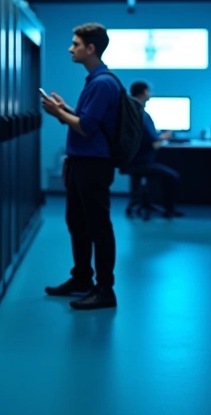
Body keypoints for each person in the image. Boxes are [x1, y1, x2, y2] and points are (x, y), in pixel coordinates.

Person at [40, 22, 121, 310]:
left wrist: (58, 114)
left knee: (98, 227)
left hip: (93, 165)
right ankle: (82, 278)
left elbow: (86, 127)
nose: (70, 48)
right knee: (77, 223)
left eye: (75, 44)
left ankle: (105, 290)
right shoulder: (94, 80)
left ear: (91, 48)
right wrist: (65, 110)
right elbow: (89, 121)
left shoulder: (102, 83)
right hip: (81, 163)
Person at [126, 81, 182, 218]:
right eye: (149, 91)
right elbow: (153, 141)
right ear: (144, 93)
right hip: (142, 162)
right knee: (172, 176)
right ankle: (169, 210)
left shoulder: (131, 111)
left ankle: (142, 201)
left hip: (131, 161)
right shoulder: (142, 115)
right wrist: (167, 135)